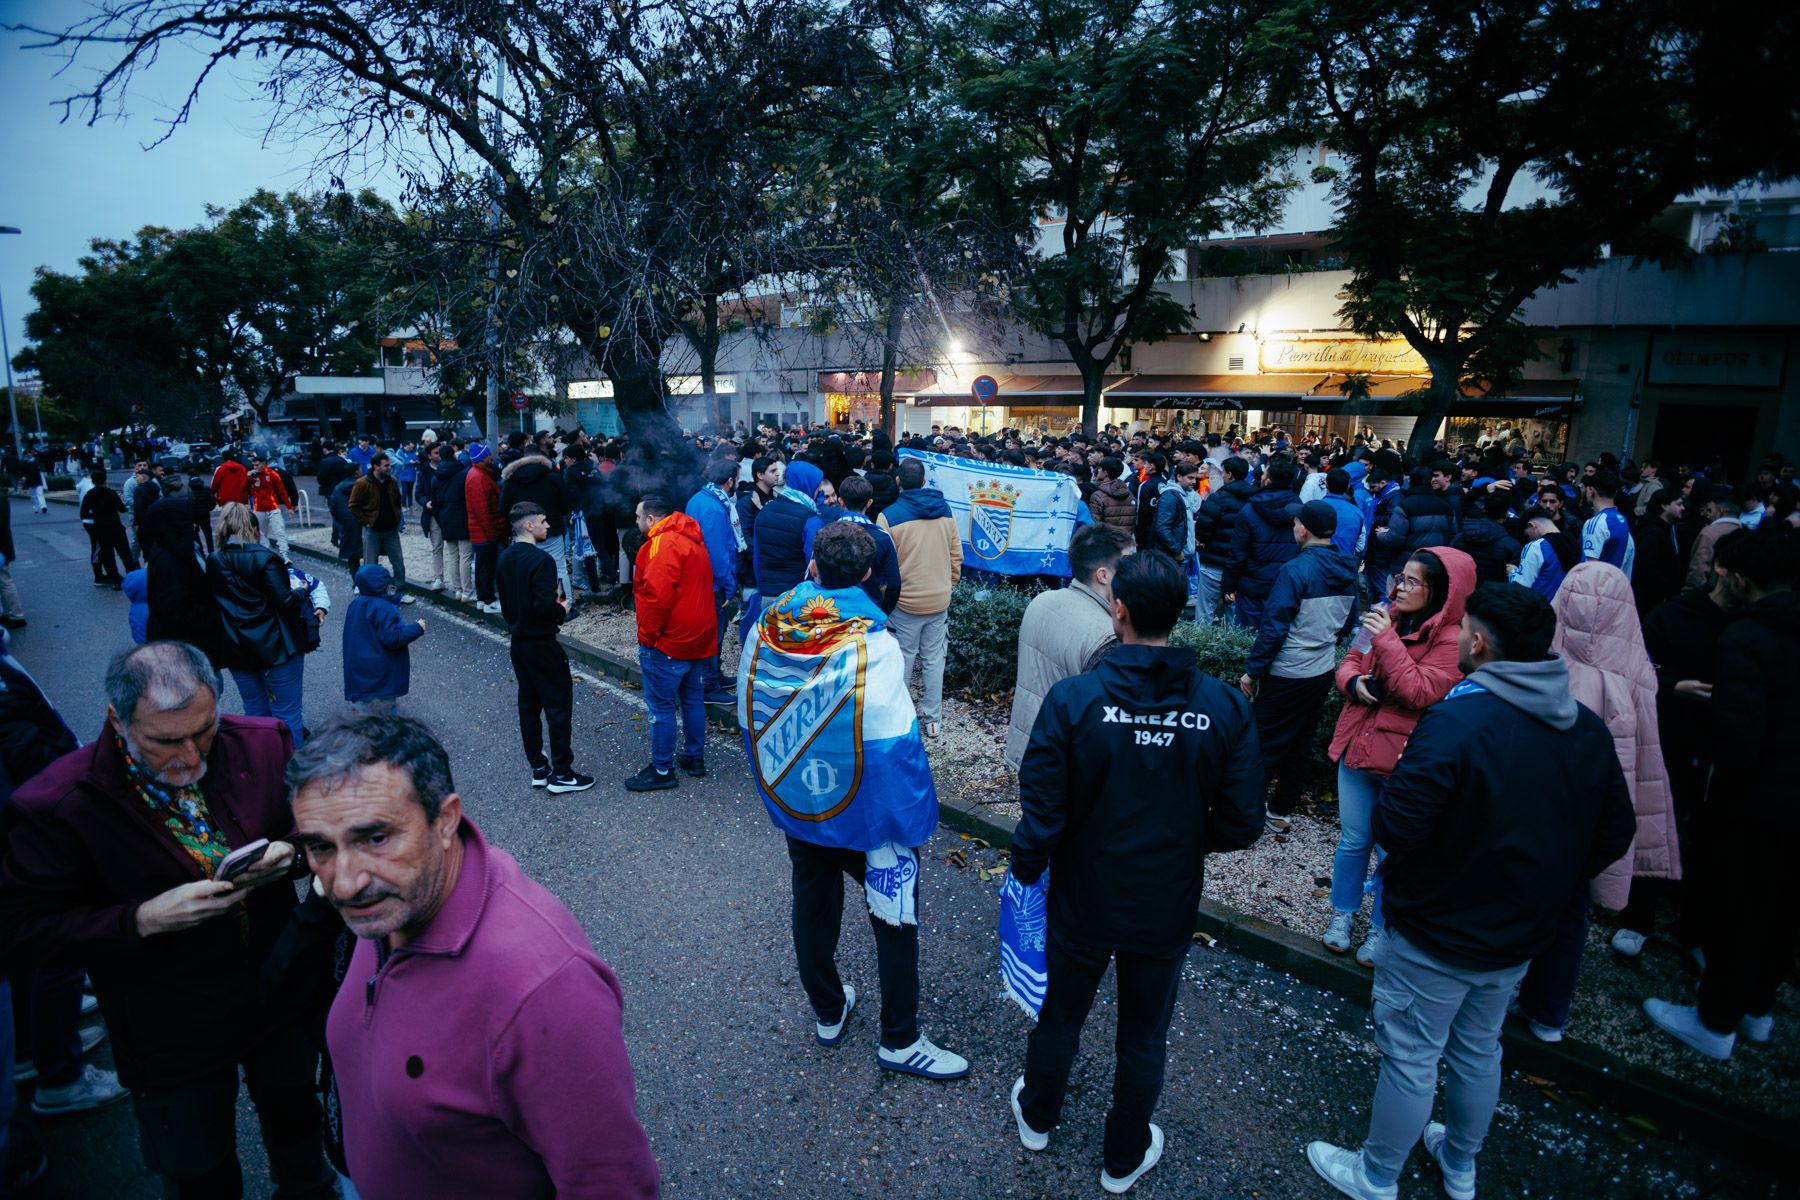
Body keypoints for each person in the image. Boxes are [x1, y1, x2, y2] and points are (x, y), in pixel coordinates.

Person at [1305, 584, 1635, 1200]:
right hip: (1518, 932)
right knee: (1480, 1049)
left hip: (1436, 922)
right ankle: (1460, 1165)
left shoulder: (1458, 719)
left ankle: (1376, 1176)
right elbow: (1616, 830)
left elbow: (1397, 825)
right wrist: (1548, 880)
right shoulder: (1585, 729)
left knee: (1411, 1054)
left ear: (1478, 643)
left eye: (1464, 632)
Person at [0, 642, 336, 1198]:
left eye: (203, 731)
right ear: (117, 718)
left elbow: (325, 829)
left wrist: (293, 853)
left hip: (279, 994)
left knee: (297, 1118)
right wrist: (139, 919)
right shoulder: (58, 802)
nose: (189, 756)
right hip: (168, 1027)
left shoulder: (261, 742)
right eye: (163, 741)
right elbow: (19, 933)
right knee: (198, 1168)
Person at [286, 717, 659, 1199]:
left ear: (445, 821)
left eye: (376, 838)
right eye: (321, 847)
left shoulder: (544, 989)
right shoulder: (392, 902)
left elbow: (611, 1185)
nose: (343, 882)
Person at [1008, 549, 1263, 1194]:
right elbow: (1241, 820)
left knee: (1063, 1010)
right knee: (1144, 1032)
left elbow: (1042, 805)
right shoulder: (1223, 706)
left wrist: (1029, 871)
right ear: (1179, 615)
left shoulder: (1074, 699)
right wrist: (1179, 840)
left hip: (1084, 891)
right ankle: (1122, 1156)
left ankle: (1038, 1114)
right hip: (1164, 897)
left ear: (1117, 608)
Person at [740, 522, 969, 1081]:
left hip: (799, 795)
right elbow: (894, 742)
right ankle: (900, 1037)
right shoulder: (875, 643)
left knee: (812, 901)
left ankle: (827, 1008)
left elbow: (752, 704)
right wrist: (911, 820)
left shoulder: (769, 626)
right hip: (866, 812)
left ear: (813, 566)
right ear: (869, 575)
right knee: (894, 915)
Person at [1644, 528, 1798, 1061]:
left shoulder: (1748, 638)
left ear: (1743, 577)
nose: (1717, 578)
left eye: (1725, 572)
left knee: (1741, 906)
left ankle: (1714, 1021)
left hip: (1755, 800)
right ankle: (1756, 1009)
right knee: (1781, 911)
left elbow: (1740, 738)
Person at [1511, 562, 1676, 1043]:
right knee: (1569, 917)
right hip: (1586, 828)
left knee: (1515, 902)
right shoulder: (1637, 672)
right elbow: (1644, 759)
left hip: (1532, 815)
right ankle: (1549, 1013)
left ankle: (1496, 996)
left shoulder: (1541, 667)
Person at [1322, 547, 1476, 967]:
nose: (1400, 588)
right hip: (1360, 743)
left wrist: (1388, 639)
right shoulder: (1381, 613)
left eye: (1412, 582)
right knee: (1354, 840)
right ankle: (1342, 915)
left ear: (1440, 591)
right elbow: (1350, 659)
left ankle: (1381, 929)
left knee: (1394, 851)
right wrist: (1353, 682)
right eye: (1400, 579)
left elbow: (1421, 692)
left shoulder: (1452, 638)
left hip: (1405, 761)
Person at [1617, 545, 1742, 958]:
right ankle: (1638, 914)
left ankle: (1697, 929)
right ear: (1723, 570)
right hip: (1670, 736)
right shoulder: (1673, 616)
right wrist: (1673, 686)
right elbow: (1638, 665)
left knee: (1713, 834)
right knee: (1656, 817)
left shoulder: (1760, 625)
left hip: (1732, 747)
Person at [1238, 501, 1358, 834]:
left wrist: (1253, 670)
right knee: (1301, 742)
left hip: (1287, 670)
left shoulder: (1295, 570)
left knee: (1263, 743)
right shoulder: (1347, 570)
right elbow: (1348, 623)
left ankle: (1247, 816)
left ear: (1302, 528)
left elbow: (1274, 627)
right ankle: (1281, 810)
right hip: (1321, 669)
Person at [1003, 525, 1133, 771]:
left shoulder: (1042, 601)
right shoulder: (1106, 635)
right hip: (1067, 763)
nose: (1133, 573)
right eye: (1127, 565)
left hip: (1028, 747)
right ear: (1103, 575)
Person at [497, 502, 593, 793]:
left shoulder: (504, 558)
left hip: (518, 642)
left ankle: (539, 767)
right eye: (543, 520)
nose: (547, 525)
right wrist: (561, 610)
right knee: (558, 705)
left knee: (529, 704)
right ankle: (563, 772)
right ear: (529, 526)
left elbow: (507, 601)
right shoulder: (542, 561)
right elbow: (542, 604)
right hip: (542, 641)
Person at [626, 494, 719, 792]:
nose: (638, 523)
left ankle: (662, 768)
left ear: (652, 519)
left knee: (662, 706)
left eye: (639, 517)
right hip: (698, 635)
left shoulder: (660, 544)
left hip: (671, 639)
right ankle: (694, 757)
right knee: (692, 697)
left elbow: (656, 597)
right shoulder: (692, 538)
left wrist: (647, 637)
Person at [208, 503, 314, 746]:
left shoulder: (214, 560)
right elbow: (285, 601)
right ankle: (289, 773)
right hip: (276, 646)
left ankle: (263, 768)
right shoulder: (265, 558)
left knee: (255, 712)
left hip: (237, 646)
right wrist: (302, 591)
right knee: (287, 714)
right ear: (254, 528)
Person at [878, 458, 962, 738]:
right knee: (934, 660)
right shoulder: (946, 511)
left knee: (903, 659)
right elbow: (956, 557)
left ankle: (900, 716)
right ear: (924, 480)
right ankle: (933, 720)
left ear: (899, 481)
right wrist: (945, 586)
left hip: (904, 603)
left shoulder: (888, 516)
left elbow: (883, 565)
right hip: (939, 599)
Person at [685, 459, 744, 704]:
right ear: (730, 481)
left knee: (713, 633)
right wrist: (729, 584)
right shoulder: (714, 507)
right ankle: (709, 686)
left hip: (700, 576)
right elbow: (718, 552)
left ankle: (715, 676)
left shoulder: (700, 498)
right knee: (714, 634)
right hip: (712, 582)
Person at [1222, 456, 1300, 630]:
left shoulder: (1250, 510)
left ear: (1268, 480)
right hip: (1285, 583)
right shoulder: (1298, 507)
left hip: (1253, 585)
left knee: (1249, 637)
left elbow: (1238, 552)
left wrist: (1228, 584)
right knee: (1278, 635)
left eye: (1264, 473)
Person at [341, 565, 427, 716]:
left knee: (362, 721)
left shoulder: (355, 604)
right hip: (381, 678)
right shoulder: (383, 607)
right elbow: (393, 638)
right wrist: (417, 628)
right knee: (384, 722)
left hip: (359, 675)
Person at [499, 446, 574, 602]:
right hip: (551, 527)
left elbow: (503, 508)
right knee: (558, 567)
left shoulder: (512, 481)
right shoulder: (553, 477)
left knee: (525, 567)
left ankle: (530, 602)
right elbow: (566, 505)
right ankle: (563, 604)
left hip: (523, 531)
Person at [1191, 456, 1254, 624]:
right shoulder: (1255, 499)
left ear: (1230, 475)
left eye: (1223, 472)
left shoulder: (1218, 498)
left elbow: (1202, 530)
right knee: (1233, 611)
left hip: (1214, 563)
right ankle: (1233, 647)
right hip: (1242, 564)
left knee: (1205, 609)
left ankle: (1200, 645)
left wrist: (1204, 542)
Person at [349, 453, 413, 603]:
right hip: (373, 529)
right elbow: (353, 505)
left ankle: (401, 591)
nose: (389, 468)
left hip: (391, 529)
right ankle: (371, 594)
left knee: (398, 562)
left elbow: (396, 501)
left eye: (389, 465)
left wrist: (396, 518)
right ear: (376, 466)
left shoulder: (392, 482)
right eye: (386, 465)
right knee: (370, 563)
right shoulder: (362, 483)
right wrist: (366, 521)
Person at [835, 474, 902, 614]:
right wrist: (883, 611)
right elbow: (894, 583)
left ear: (840, 501)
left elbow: (811, 575)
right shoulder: (883, 537)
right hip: (870, 613)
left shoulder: (825, 533)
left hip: (832, 611)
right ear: (869, 503)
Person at [425, 442, 472, 601]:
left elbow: (435, 503)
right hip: (462, 516)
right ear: (453, 454)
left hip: (445, 518)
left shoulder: (436, 478)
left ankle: (457, 589)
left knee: (453, 556)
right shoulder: (462, 473)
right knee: (465, 555)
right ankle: (467, 591)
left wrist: (441, 518)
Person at [465, 444, 507, 614]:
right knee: (487, 567)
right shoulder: (479, 477)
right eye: (489, 454)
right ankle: (488, 600)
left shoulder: (477, 474)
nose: (492, 456)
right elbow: (482, 510)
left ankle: (483, 599)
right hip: (485, 532)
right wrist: (492, 534)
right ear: (482, 458)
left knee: (483, 567)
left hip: (481, 531)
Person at [1631, 491, 1686, 616]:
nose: (1683, 508)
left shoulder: (1665, 529)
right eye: (1678, 504)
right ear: (1664, 506)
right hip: (1651, 603)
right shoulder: (1653, 534)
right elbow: (1647, 570)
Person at [79, 467, 136, 588]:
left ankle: (115, 581)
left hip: (100, 528)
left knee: (107, 555)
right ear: (105, 480)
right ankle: (132, 578)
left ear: (93, 481)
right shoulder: (111, 493)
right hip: (115, 526)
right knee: (125, 553)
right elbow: (122, 509)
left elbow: (83, 513)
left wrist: (96, 515)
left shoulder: (90, 494)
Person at [1507, 509, 1577, 602]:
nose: (1529, 538)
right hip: (1567, 608)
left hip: (1541, 608)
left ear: (1531, 526)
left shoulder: (1536, 546)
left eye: (1527, 534)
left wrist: (1513, 572)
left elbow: (1522, 587)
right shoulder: (1574, 542)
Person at [1683, 487, 1743, 591]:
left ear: (1720, 511)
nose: (1706, 514)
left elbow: (1699, 571)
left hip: (1712, 595)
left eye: (1710, 509)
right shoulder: (1745, 532)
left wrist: (1688, 593)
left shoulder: (1709, 533)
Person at [1580, 469, 1635, 578]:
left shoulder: (1596, 523)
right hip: (1615, 590)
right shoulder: (1622, 520)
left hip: (1595, 591)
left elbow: (1588, 569)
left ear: (1591, 490)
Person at [247, 455, 295, 563]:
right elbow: (243, 489)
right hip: (258, 509)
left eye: (257, 465)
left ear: (264, 464)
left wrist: (289, 507)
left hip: (273, 507)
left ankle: (285, 555)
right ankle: (265, 553)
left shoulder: (273, 475)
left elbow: (282, 492)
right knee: (260, 533)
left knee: (279, 531)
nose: (255, 467)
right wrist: (248, 478)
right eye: (253, 465)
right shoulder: (252, 476)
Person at [1086, 457, 1138, 532]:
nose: (1098, 470)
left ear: (1105, 472)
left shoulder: (1098, 496)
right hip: (1125, 540)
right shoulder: (1129, 494)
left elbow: (1095, 525)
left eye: (1100, 469)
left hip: (1106, 541)